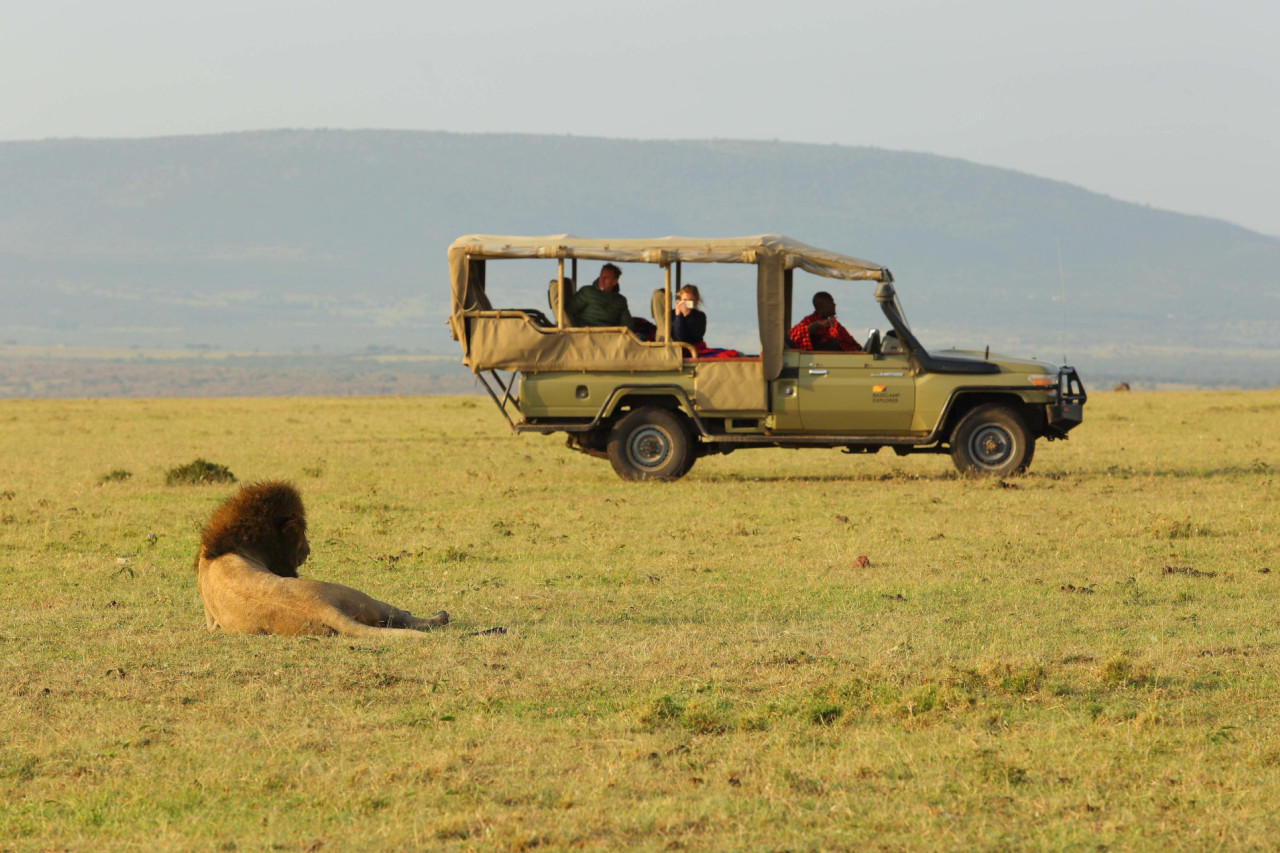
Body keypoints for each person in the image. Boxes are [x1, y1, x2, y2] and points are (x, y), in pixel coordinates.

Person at [788, 291, 861, 352]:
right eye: (831, 302)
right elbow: (793, 335)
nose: (834, 305)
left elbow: (852, 344)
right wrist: (815, 326)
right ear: (821, 305)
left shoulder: (834, 324)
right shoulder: (809, 320)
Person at [567, 263, 632, 328]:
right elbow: (567, 310)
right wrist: (575, 330)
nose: (602, 280)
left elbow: (627, 325)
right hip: (585, 334)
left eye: (606, 278)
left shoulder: (620, 301)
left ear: (614, 281)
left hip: (609, 336)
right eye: (601, 276)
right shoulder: (587, 291)